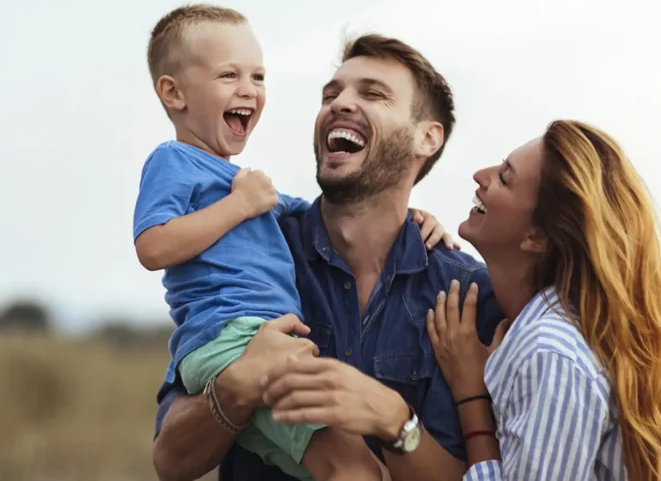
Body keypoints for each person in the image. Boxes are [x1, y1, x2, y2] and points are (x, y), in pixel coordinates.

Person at [150, 31, 504, 481]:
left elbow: (475, 473)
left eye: (372, 94)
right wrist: (236, 387)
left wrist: (398, 422)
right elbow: (170, 461)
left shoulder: (464, 296)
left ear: (427, 138)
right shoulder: (247, 248)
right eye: (331, 94)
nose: (339, 103)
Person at [425, 120, 661, 480]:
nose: (481, 175)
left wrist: (470, 397)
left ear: (536, 236)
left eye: (505, 178)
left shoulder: (550, 353)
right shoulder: (539, 332)